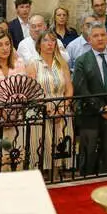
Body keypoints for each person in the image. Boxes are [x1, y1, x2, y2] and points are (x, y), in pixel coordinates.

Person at [72, 23, 107, 175]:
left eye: (103, 35)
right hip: (90, 115)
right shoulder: (82, 61)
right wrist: (101, 108)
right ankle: (86, 181)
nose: (100, 38)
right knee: (88, 154)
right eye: (96, 36)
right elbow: (81, 89)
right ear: (89, 39)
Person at [27, 29, 74, 173]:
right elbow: (31, 91)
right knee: (42, 149)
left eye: (53, 40)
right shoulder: (33, 64)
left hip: (62, 109)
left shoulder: (62, 63)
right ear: (39, 44)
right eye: (46, 40)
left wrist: (62, 108)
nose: (50, 44)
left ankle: (57, 176)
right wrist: (47, 110)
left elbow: (69, 89)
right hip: (40, 110)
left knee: (59, 147)